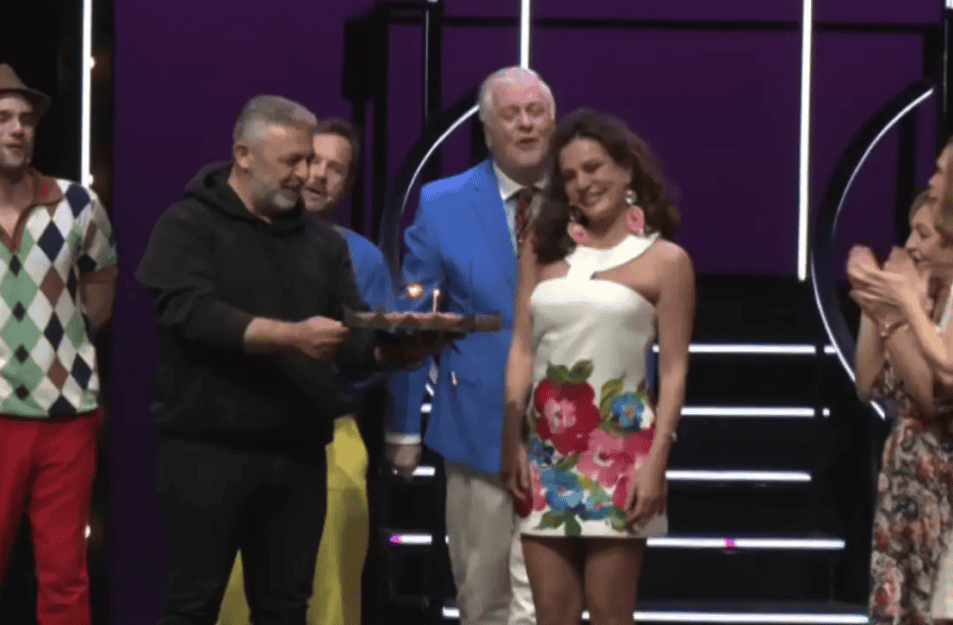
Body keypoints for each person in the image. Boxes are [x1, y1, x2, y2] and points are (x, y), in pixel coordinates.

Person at [136, 95, 448, 625]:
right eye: (294, 161)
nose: (306, 174)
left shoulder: (324, 245)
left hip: (299, 455)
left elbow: (350, 338)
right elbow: (190, 312)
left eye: (312, 161)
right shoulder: (187, 225)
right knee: (193, 606)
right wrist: (290, 336)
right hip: (206, 453)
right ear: (243, 155)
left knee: (287, 609)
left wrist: (394, 351)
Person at [500, 108, 694, 625]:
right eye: (569, 176)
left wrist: (658, 460)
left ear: (627, 169)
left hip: (622, 456)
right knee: (551, 615)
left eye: (594, 168)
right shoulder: (541, 250)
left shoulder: (666, 261)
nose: (583, 183)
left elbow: (674, 371)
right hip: (545, 455)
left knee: (611, 615)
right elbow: (521, 348)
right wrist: (511, 438)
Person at [386, 65, 554, 625]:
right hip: (476, 427)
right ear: (486, 129)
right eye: (512, 114)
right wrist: (404, 428)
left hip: (571, 428)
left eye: (536, 112)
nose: (526, 124)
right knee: (482, 600)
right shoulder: (443, 201)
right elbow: (415, 320)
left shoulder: (585, 195)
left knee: (551, 602)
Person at [217, 117, 394, 625]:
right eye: (311, 160)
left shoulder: (365, 259)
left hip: (332, 436)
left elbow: (381, 355)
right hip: (242, 436)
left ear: (347, 184)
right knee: (233, 593)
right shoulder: (236, 242)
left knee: (329, 592)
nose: (318, 175)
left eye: (335, 168)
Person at [0, 63, 118, 625]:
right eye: (3, 117)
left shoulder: (77, 204)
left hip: (67, 416)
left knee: (65, 577)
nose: (17, 129)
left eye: (25, 119)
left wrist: (60, 351)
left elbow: (101, 293)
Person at [849, 185, 953, 622]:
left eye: (923, 234)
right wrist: (872, 302)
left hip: (940, 480)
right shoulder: (916, 299)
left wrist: (895, 313)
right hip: (902, 480)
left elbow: (930, 395)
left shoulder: (939, 314)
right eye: (911, 232)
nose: (911, 245)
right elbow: (867, 383)